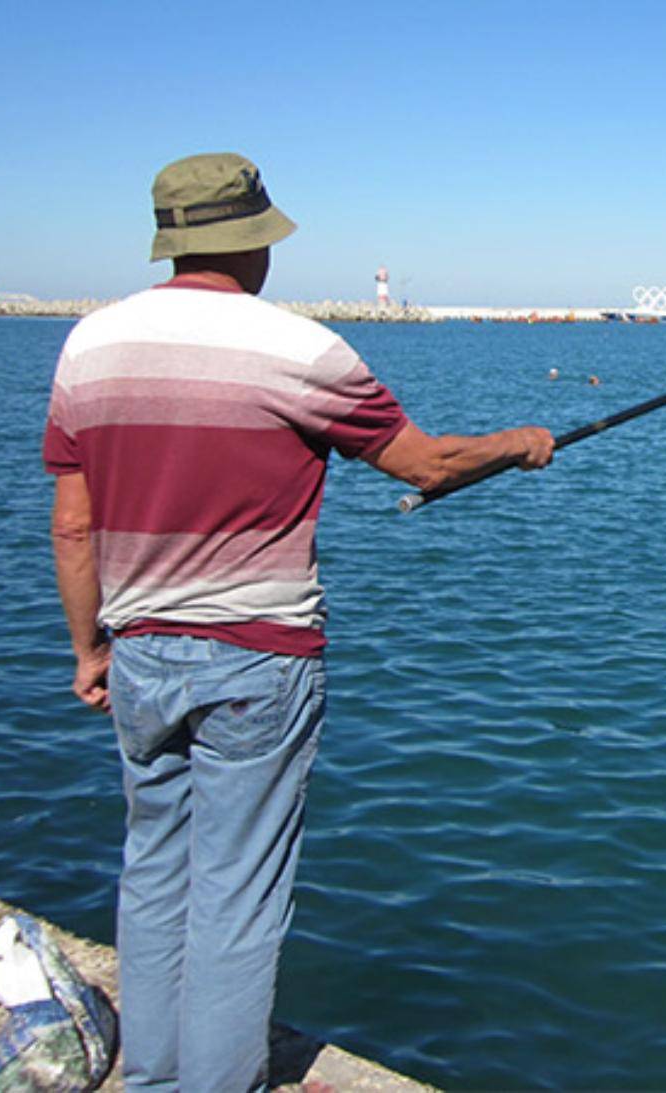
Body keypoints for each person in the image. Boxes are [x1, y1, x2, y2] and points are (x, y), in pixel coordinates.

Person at [44, 152, 554, 1092]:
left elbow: (74, 523)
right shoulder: (300, 350)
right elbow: (428, 466)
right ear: (254, 245)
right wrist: (520, 444)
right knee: (238, 892)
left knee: (155, 872)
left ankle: (152, 1076)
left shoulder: (90, 345)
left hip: (140, 654)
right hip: (258, 661)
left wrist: (89, 647)